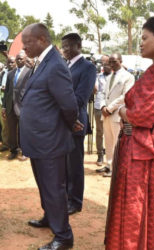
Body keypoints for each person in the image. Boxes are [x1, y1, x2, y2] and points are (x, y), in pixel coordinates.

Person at [105, 15, 154, 249]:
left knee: (140, 207)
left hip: (148, 150)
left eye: (144, 37)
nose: (140, 42)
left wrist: (124, 112)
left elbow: (140, 115)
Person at [20, 23, 80, 250]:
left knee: (54, 188)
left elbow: (69, 105)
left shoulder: (55, 64)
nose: (24, 48)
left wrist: (66, 125)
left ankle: (64, 236)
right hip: (40, 140)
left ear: (42, 40)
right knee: (45, 185)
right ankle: (50, 218)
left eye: (27, 43)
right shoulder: (44, 62)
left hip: (50, 141)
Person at [61, 33, 97, 215]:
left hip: (75, 122)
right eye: (63, 46)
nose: (65, 49)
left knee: (75, 164)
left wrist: (66, 114)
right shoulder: (65, 65)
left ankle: (76, 201)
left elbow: (80, 98)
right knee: (64, 164)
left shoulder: (88, 67)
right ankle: (67, 197)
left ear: (78, 46)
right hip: (62, 123)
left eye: (68, 46)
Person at [96, 53, 134, 177]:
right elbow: (101, 93)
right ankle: (108, 165)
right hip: (106, 113)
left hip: (117, 114)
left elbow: (125, 96)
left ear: (121, 61)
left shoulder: (128, 77)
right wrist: (102, 106)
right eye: (110, 62)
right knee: (108, 141)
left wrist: (110, 108)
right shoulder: (109, 76)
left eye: (114, 61)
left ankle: (114, 168)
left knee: (116, 143)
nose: (111, 64)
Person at [2, 51, 26, 160]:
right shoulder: (11, 73)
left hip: (23, 107)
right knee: (12, 130)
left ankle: (25, 151)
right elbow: (6, 91)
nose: (19, 60)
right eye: (17, 59)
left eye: (21, 58)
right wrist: (4, 106)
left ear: (25, 59)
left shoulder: (29, 72)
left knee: (23, 130)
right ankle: (13, 150)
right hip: (10, 106)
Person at [0, 56, 16, 152]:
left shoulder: (20, 73)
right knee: (5, 125)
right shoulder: (2, 73)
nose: (10, 64)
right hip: (2, 102)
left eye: (12, 62)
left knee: (16, 125)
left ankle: (17, 146)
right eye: (9, 62)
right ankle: (6, 144)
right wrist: (0, 89)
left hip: (15, 103)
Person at [93, 55, 111, 166]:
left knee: (111, 133)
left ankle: (111, 156)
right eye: (104, 64)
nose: (106, 66)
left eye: (108, 64)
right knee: (99, 132)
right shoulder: (98, 77)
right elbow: (95, 90)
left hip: (111, 108)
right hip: (99, 106)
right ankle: (100, 154)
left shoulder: (115, 77)